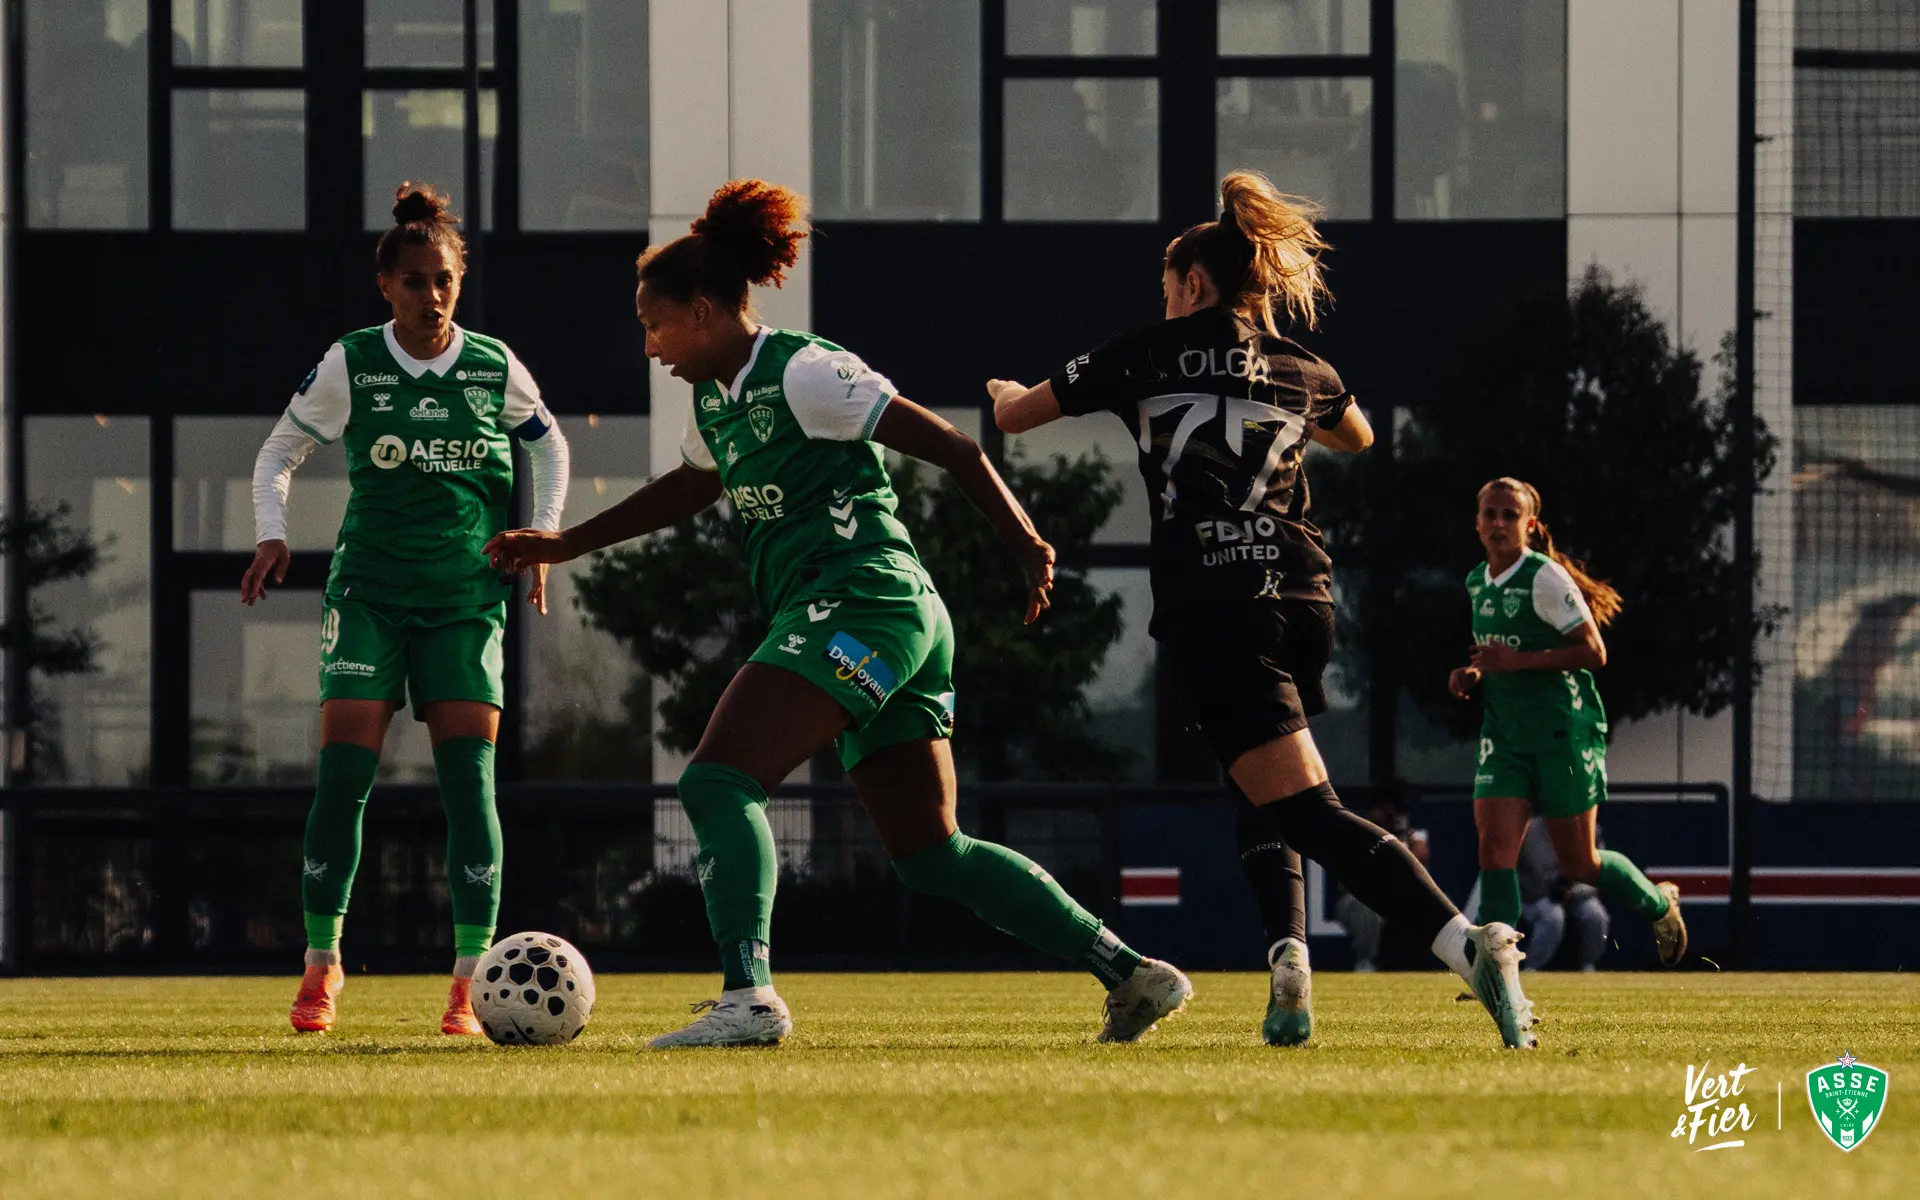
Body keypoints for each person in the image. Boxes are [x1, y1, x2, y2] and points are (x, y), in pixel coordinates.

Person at [487, 179, 1189, 1049]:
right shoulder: (715, 399)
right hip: (875, 616)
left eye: (655, 324)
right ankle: (1131, 971)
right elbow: (689, 489)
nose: (649, 345)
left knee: (716, 781)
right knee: (931, 855)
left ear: (702, 311)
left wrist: (1024, 541)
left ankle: (748, 997)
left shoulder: (806, 372)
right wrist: (565, 542)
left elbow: (953, 445)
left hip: (867, 601)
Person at [988, 169, 1537, 1050]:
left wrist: (1001, 392)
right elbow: (1358, 434)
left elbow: (1017, 419)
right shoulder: (1302, 367)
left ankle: (1468, 944)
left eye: (1168, 289)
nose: (1164, 302)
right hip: (1304, 595)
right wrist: (1268, 381)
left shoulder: (1143, 352)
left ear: (1192, 283)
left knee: (1309, 809)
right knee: (1265, 784)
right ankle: (1290, 965)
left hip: (1217, 603)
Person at [243, 183, 572, 1035]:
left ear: (460, 283)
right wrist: (272, 532)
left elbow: (549, 444)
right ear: (385, 285)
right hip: (370, 596)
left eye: (445, 281)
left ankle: (468, 982)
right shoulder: (352, 362)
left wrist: (543, 533)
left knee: (469, 787)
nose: (432, 296)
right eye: (416, 281)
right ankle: (322, 964)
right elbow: (279, 450)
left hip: (464, 600)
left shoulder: (493, 365)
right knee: (342, 783)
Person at [1449, 477, 1687, 967]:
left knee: (1579, 862)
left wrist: (1515, 663)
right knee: (1495, 850)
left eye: (1509, 515)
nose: (1498, 523)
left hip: (1563, 731)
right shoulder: (1477, 581)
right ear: (1476, 522)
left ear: (1530, 525)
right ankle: (1495, 971)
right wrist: (1473, 673)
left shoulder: (1545, 577)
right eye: (1490, 514)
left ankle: (1659, 904)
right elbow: (1498, 654)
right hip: (1505, 733)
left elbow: (1594, 652)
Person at [1513, 818, 1610, 972]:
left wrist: (1572, 891)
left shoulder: (1587, 827)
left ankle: (1588, 966)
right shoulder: (1528, 830)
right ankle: (1532, 968)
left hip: (1578, 893)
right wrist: (1548, 891)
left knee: (1595, 914)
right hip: (1536, 896)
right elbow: (1518, 874)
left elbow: (1597, 869)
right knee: (1553, 916)